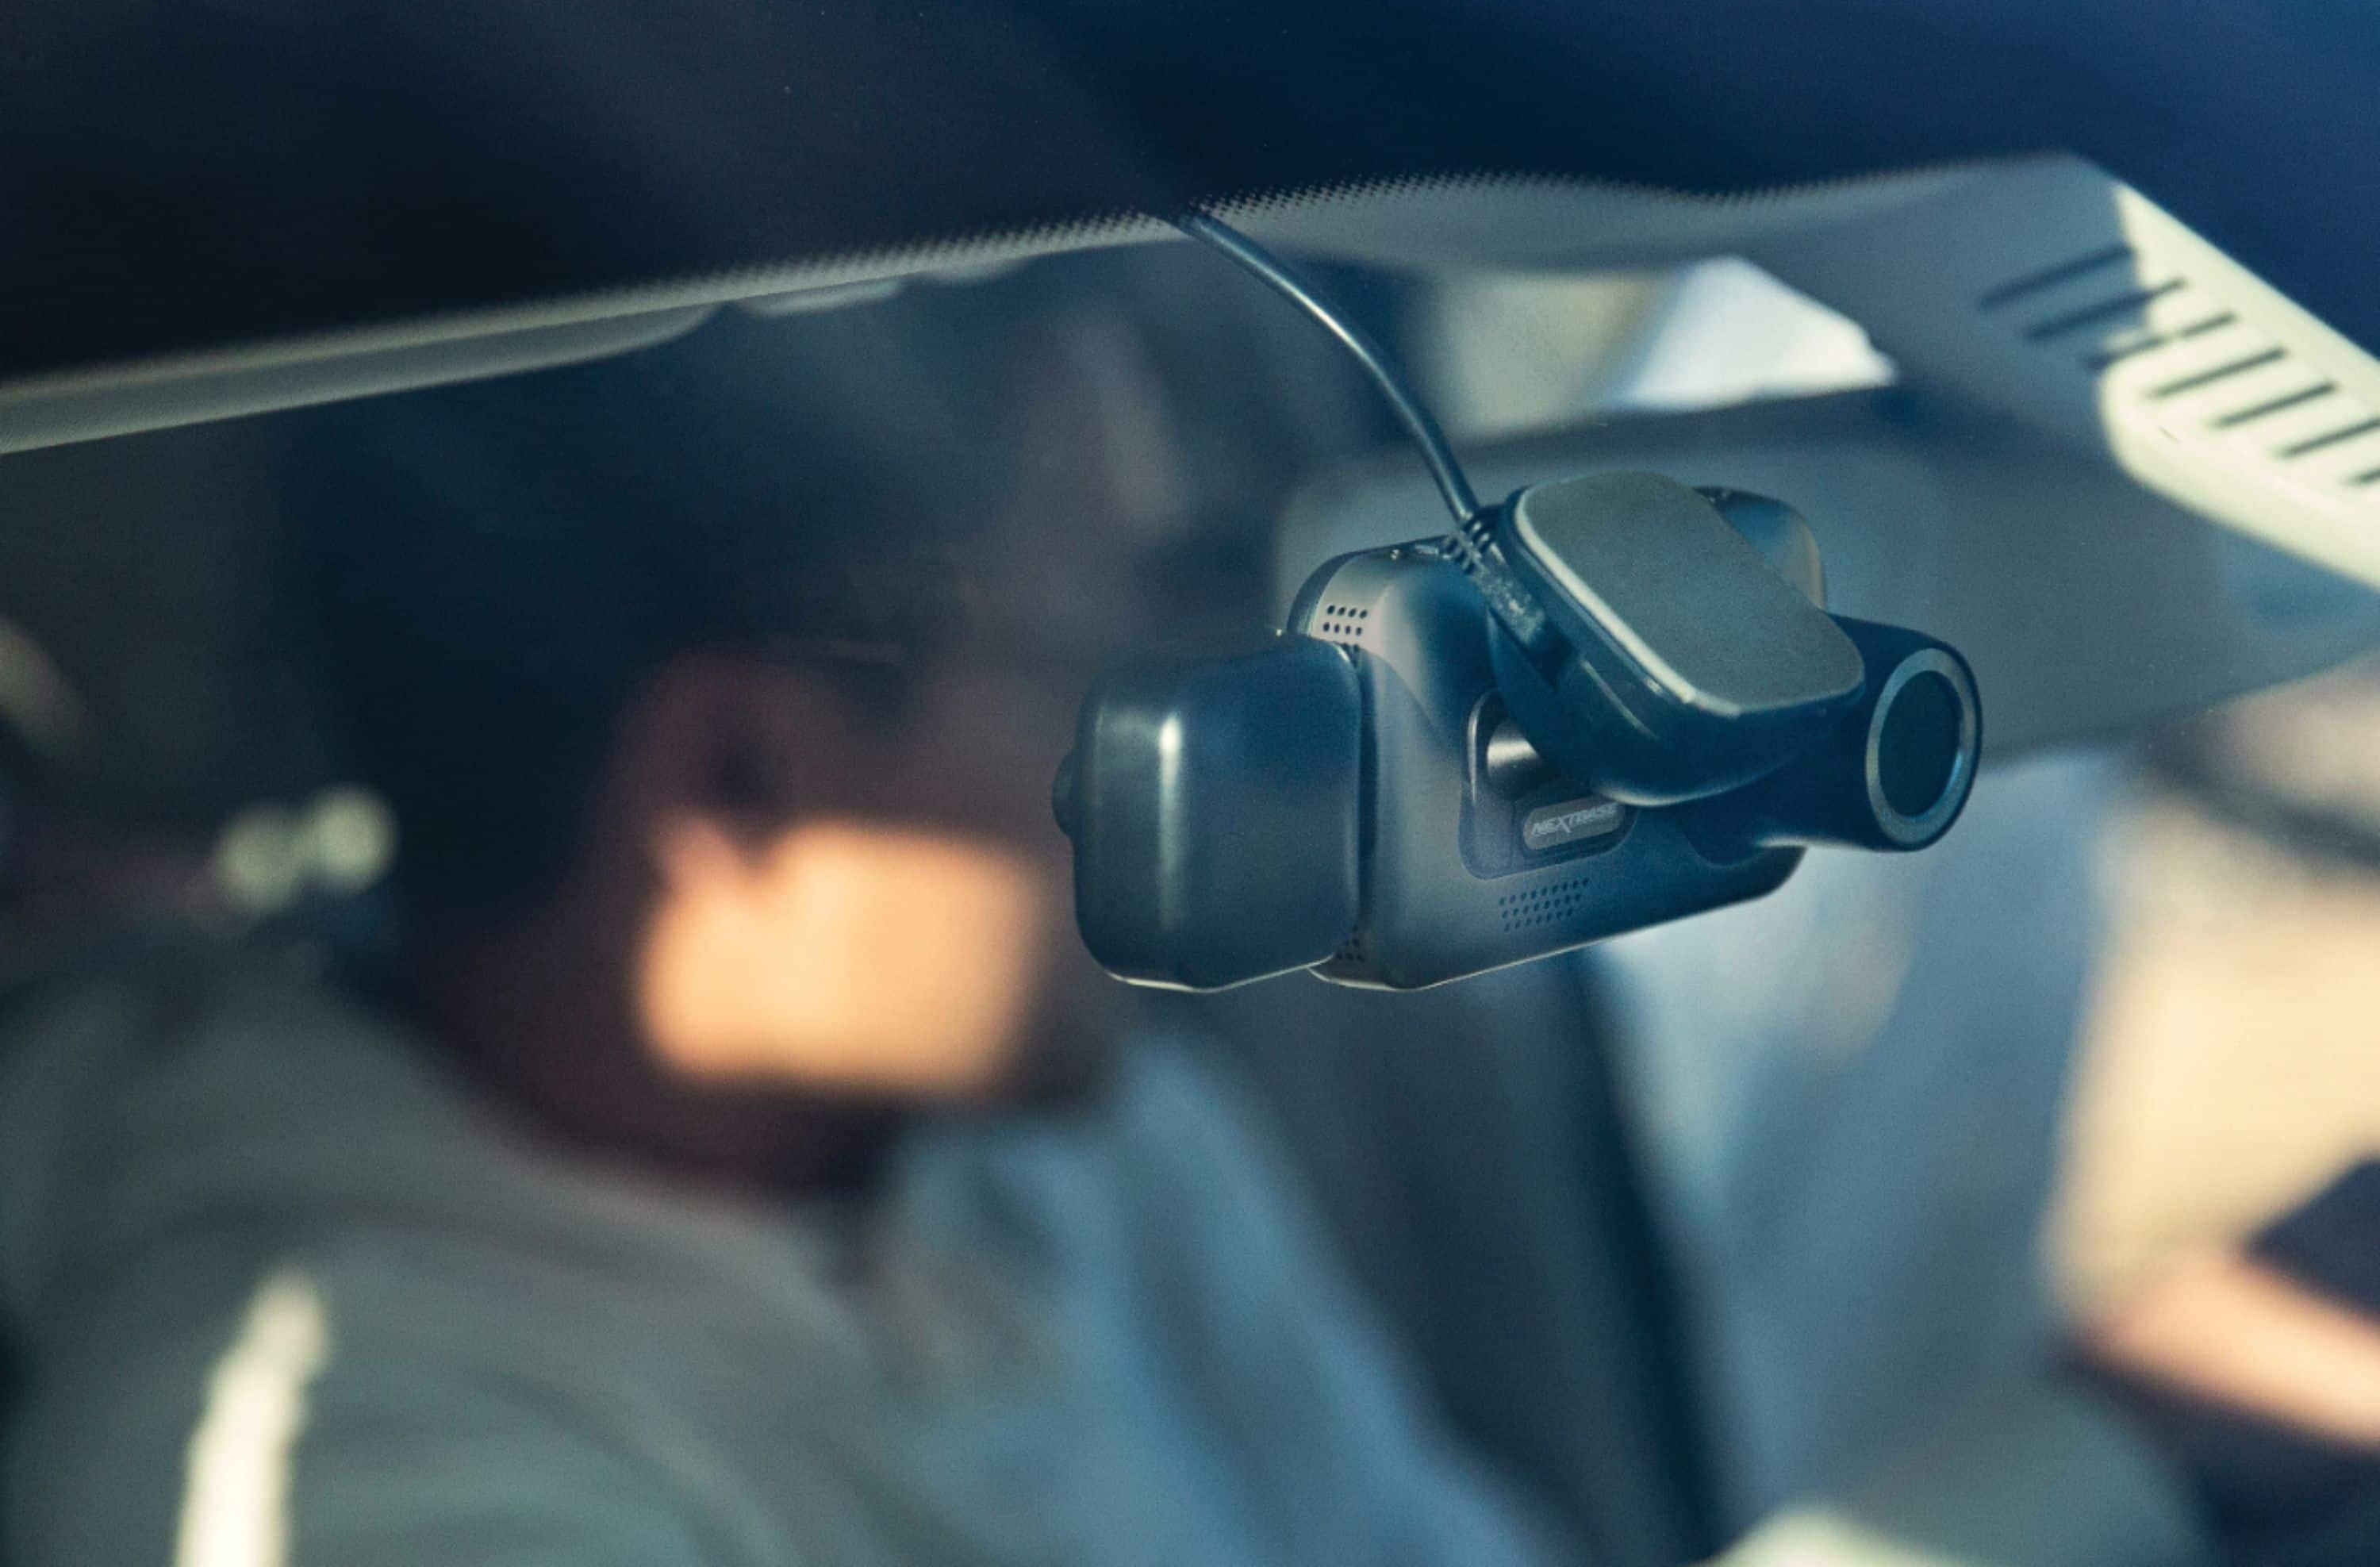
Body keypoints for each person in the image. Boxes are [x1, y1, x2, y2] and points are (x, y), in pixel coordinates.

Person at [0, 251, 2367, 1567]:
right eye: (1111, 639)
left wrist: (2179, 1417)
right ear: (735, 780)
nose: (1241, 719)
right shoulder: (353, 1480)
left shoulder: (1072, 1151)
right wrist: (2137, 1434)